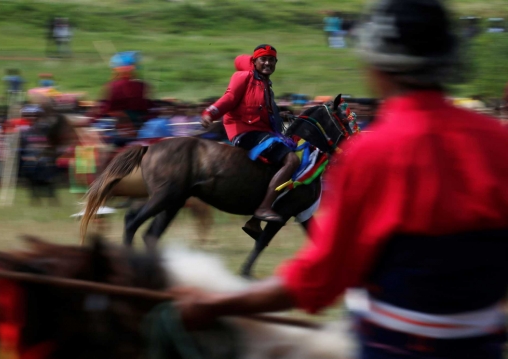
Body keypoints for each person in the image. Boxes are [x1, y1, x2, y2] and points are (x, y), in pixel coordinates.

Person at [176, 1, 508, 358]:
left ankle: (266, 205)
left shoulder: (372, 153)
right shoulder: (497, 141)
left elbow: (320, 278)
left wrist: (217, 305)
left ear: (377, 65)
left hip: (392, 346)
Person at [201, 44, 300, 223]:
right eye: (263, 59)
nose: (268, 63)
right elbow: (229, 98)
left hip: (262, 133)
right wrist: (210, 113)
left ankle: (255, 219)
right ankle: (263, 207)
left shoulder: (266, 84)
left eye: (271, 60)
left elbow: (264, 112)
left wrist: (281, 115)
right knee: (292, 160)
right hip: (245, 132)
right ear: (254, 62)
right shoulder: (243, 77)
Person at [98, 51, 152, 131]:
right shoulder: (143, 85)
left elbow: (105, 108)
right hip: (140, 122)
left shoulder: (112, 86)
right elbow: (147, 105)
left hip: (118, 124)